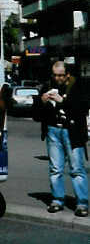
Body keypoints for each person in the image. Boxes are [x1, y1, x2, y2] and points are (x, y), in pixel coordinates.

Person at [32, 61, 88, 217]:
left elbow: (83, 107)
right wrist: (41, 101)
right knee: (55, 168)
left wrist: (63, 101)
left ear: (67, 74)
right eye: (55, 75)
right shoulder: (47, 86)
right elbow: (36, 115)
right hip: (53, 130)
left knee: (77, 169)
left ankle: (82, 203)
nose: (58, 78)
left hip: (72, 132)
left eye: (61, 75)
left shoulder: (78, 86)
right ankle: (57, 200)